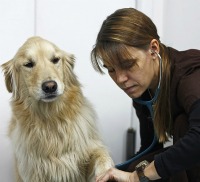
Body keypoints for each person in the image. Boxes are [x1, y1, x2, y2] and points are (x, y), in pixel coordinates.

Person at [90, 8, 200, 182]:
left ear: (153, 48)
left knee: (183, 126)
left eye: (128, 64)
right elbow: (150, 148)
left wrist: (135, 177)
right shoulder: (143, 91)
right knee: (138, 167)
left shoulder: (190, 76)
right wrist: (118, 173)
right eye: (111, 69)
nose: (120, 79)